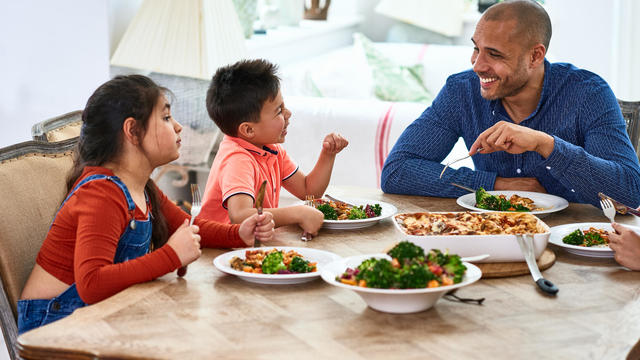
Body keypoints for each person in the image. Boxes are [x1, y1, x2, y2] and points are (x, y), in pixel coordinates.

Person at [18, 75, 275, 334]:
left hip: (98, 315)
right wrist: (170, 256)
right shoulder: (101, 194)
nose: (178, 127)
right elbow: (91, 283)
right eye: (165, 118)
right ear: (132, 131)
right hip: (52, 328)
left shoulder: (141, 187)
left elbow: (189, 226)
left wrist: (239, 234)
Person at [380, 0, 640, 207]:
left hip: (578, 244)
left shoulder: (588, 93)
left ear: (535, 56)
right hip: (493, 233)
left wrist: (545, 144)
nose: (478, 65)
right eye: (476, 49)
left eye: (494, 54)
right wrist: (497, 184)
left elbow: (630, 191)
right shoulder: (461, 91)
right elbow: (396, 172)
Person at [199, 59, 348, 235]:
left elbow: (309, 191)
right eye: (279, 110)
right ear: (248, 129)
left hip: (252, 245)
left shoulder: (271, 149)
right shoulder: (237, 159)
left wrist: (328, 154)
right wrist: (296, 213)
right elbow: (240, 216)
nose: (288, 113)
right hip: (216, 251)